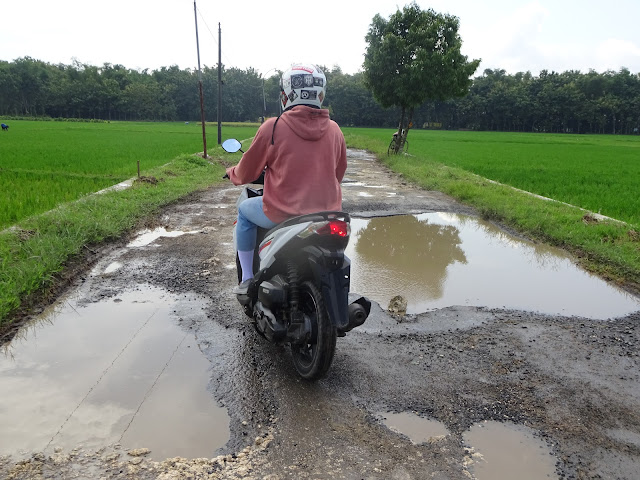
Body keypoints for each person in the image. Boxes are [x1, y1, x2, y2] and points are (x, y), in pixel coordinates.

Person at [225, 64, 347, 294]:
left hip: (283, 213)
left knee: (244, 212)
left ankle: (247, 280)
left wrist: (233, 173)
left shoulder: (273, 127)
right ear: (320, 94)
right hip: (326, 214)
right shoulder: (335, 130)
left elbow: (247, 173)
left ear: (285, 95)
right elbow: (338, 174)